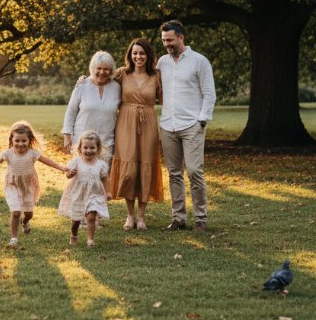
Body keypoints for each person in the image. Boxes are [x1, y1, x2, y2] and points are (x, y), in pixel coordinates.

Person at [157, 20, 216, 232]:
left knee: (194, 171)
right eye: (164, 41)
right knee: (174, 173)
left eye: (170, 40)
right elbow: (141, 77)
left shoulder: (199, 61)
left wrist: (202, 120)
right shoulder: (162, 62)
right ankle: (178, 218)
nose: (167, 44)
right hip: (168, 126)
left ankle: (200, 218)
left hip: (192, 125)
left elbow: (209, 93)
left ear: (181, 37)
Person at [0, 121, 69, 247]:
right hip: (12, 185)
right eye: (17, 141)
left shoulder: (32, 153)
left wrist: (61, 168)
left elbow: (48, 161)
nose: (20, 144)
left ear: (29, 140)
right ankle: (14, 238)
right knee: (16, 212)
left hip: (28, 186)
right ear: (12, 140)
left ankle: (25, 223)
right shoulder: (7, 153)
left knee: (29, 213)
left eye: (23, 141)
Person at [108, 38, 164, 230]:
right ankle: (129, 215)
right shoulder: (122, 74)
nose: (138, 56)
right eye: (135, 53)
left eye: (142, 53)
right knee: (129, 169)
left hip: (148, 123)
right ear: (130, 55)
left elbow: (168, 99)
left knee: (145, 165)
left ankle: (141, 217)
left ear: (148, 56)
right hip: (125, 123)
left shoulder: (156, 75)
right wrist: (84, 79)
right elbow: (100, 80)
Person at [62, 51, 119, 164]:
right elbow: (71, 112)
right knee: (81, 177)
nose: (102, 72)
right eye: (98, 68)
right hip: (82, 143)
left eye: (106, 69)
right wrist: (67, 136)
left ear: (111, 70)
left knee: (103, 178)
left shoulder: (117, 87)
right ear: (92, 68)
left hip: (106, 143)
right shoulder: (82, 85)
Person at [57, 131, 111, 247]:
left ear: (98, 149)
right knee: (76, 219)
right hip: (78, 193)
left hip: (94, 193)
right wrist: (70, 174)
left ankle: (90, 240)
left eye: (92, 148)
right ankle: (74, 234)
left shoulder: (100, 165)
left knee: (91, 216)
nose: (88, 150)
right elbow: (68, 175)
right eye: (85, 147)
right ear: (80, 148)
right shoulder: (76, 162)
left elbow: (105, 179)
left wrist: (107, 192)